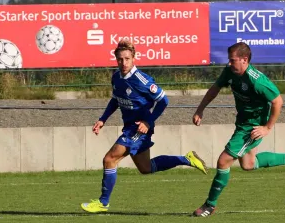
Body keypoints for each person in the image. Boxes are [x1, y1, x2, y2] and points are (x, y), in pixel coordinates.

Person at [81, 40, 207, 213]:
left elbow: (164, 100)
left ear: (134, 58)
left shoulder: (141, 80)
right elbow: (115, 100)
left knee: (109, 159)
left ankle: (103, 202)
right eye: (120, 59)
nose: (123, 63)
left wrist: (149, 122)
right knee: (145, 168)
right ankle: (186, 158)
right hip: (130, 127)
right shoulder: (116, 77)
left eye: (127, 59)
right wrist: (103, 119)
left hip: (139, 128)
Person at [191, 42, 285, 217]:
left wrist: (267, 128)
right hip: (242, 122)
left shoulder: (257, 80)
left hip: (252, 127)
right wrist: (200, 109)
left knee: (223, 161)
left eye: (232, 60)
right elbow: (214, 89)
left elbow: (278, 101)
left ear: (244, 60)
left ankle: (210, 205)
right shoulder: (230, 71)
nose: (229, 64)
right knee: (248, 164)